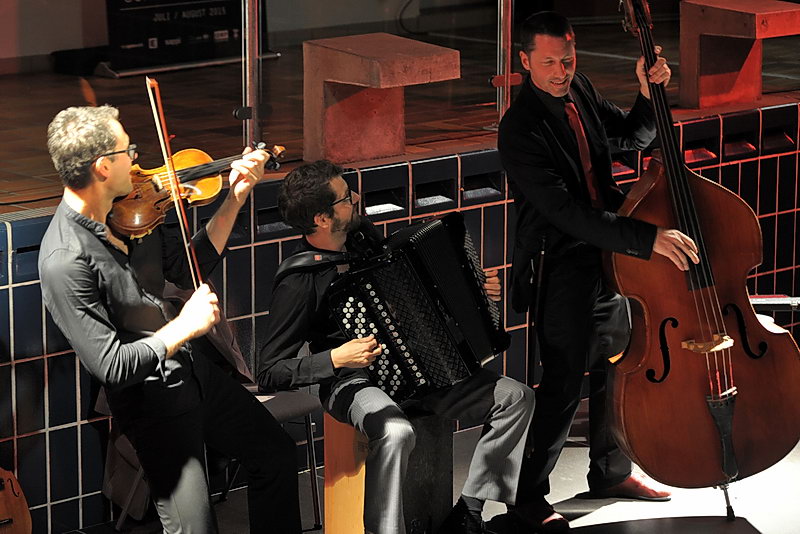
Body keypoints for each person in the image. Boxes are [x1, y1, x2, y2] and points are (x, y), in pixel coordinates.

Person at [39, 105, 302, 534]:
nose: (138, 162)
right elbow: (111, 366)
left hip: (193, 370)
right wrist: (184, 326)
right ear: (103, 166)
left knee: (274, 455)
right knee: (195, 528)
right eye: (128, 152)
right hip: (151, 402)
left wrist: (235, 197)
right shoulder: (64, 260)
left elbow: (184, 268)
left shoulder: (137, 210)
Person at [498, 12, 700, 532]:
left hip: (607, 252)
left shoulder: (580, 88)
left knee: (620, 365)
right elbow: (566, 213)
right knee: (563, 383)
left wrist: (648, 93)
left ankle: (611, 473)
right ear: (524, 61)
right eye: (549, 63)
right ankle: (527, 501)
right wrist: (648, 239)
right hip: (561, 262)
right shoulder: (519, 128)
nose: (560, 72)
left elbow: (633, 137)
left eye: (567, 60)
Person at [257, 160, 535, 534]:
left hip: (421, 369)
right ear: (322, 219)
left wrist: (478, 292)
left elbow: (422, 294)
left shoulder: (363, 240)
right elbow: (269, 371)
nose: (356, 198)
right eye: (345, 198)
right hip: (351, 382)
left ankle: (468, 514)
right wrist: (334, 357)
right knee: (396, 431)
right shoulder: (299, 281)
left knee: (516, 398)